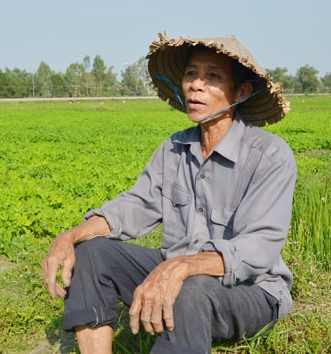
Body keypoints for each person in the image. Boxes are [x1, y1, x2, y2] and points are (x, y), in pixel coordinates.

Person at [42, 33, 296, 354]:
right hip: (178, 272)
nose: (196, 85)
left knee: (192, 288)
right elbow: (136, 206)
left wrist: (183, 267)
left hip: (251, 290)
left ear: (241, 92)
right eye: (191, 73)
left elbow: (259, 247)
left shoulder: (269, 156)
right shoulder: (174, 148)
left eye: (213, 76)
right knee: (93, 253)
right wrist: (71, 236)